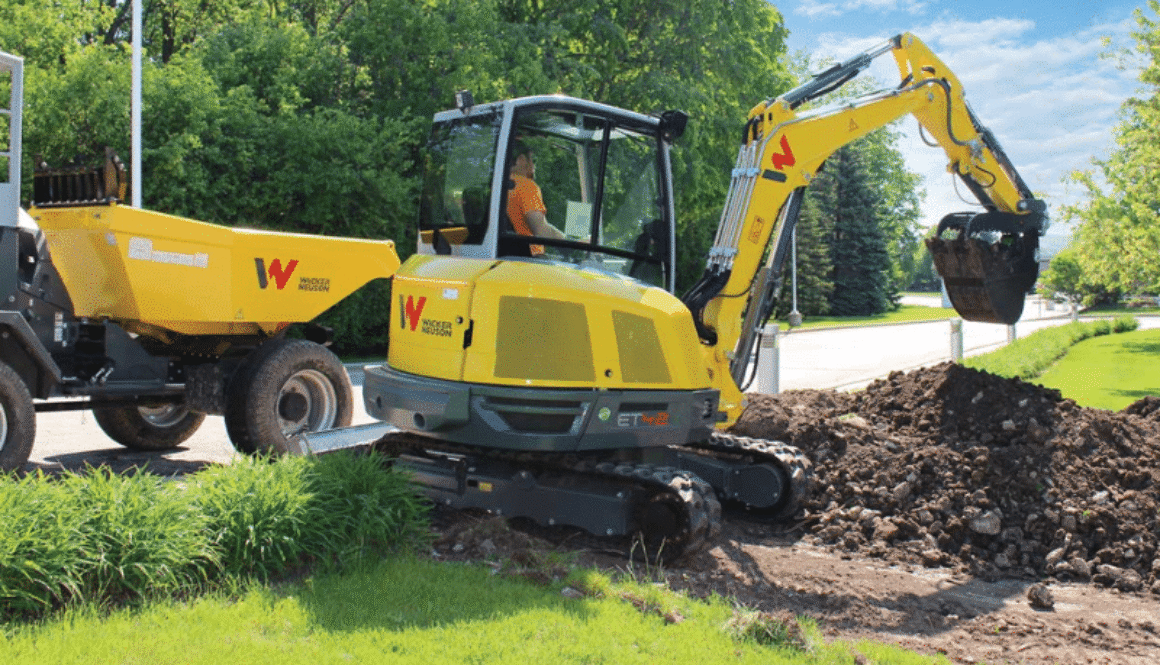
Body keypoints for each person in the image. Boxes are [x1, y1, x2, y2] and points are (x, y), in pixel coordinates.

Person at [506, 140, 565, 256]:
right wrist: (570, 241)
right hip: (529, 259)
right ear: (521, 160)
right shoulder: (526, 186)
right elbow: (541, 230)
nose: (534, 166)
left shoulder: (496, 186)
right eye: (533, 160)